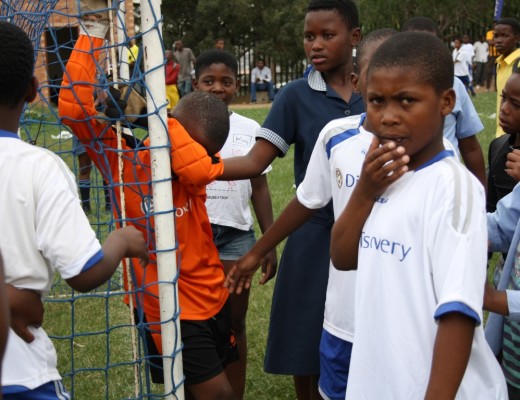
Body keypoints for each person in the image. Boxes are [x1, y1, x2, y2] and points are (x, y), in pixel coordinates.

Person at [58, 14, 239, 400]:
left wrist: (154, 119)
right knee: (217, 393)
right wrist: (93, 31)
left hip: (214, 296)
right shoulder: (123, 162)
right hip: (170, 308)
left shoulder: (198, 172)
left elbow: (195, 165)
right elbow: (72, 109)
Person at [330, 31, 507, 399]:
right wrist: (364, 191)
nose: (388, 116)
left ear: (446, 102)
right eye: (376, 101)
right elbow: (343, 257)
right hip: (379, 381)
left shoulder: (453, 188)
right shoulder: (381, 178)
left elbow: (458, 312)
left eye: (406, 101)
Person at [225, 29, 396, 400]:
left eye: (327, 35)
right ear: (359, 80)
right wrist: (259, 249)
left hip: (388, 265)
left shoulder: (430, 150)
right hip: (320, 245)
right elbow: (305, 196)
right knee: (309, 345)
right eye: (308, 36)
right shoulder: (331, 130)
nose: (316, 44)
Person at [0, 21, 148, 399]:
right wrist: (120, 240)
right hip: (23, 375)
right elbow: (83, 272)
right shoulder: (40, 167)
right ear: (33, 89)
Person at [193, 49, 277, 399]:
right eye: (208, 81)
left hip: (236, 237)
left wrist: (269, 242)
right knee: (195, 324)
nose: (217, 88)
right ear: (195, 84)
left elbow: (260, 186)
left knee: (233, 321)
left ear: (237, 85)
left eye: (226, 81)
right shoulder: (181, 127)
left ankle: (234, 393)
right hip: (193, 236)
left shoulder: (249, 128)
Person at [401, 16, 487, 188]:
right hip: (402, 184)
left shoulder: (454, 85)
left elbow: (470, 147)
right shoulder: (389, 87)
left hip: (447, 185)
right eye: (414, 46)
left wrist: (482, 193)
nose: (422, 53)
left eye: (430, 46)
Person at [484, 69, 520, 400]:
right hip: (513, 342)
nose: (504, 109)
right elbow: (502, 224)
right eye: (503, 99)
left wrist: (496, 300)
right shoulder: (500, 149)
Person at [494, 17, 520, 137]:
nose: (499, 40)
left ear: (517, 38)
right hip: (502, 133)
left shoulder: (518, 63)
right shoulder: (500, 63)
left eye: (505, 36)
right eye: (496, 36)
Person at [486, 22, 499, 92]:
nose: (495, 25)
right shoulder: (489, 33)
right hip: (491, 55)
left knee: (498, 72)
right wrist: (498, 42)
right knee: (489, 71)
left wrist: (493, 42)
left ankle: (497, 88)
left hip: (499, 55)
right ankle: (487, 88)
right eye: (494, 24)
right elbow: (489, 42)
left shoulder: (501, 32)